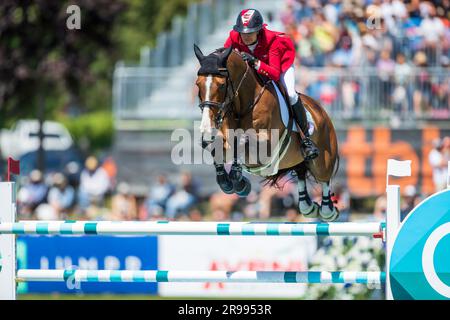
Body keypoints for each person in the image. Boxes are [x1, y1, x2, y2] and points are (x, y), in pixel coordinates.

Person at [224, 8, 319, 161]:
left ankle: (306, 138)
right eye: (243, 32)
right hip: (256, 69)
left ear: (259, 31)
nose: (246, 36)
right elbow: (225, 57)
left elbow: (274, 74)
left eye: (250, 33)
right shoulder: (234, 36)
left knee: (291, 93)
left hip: (280, 67)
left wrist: (255, 61)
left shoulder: (272, 40)